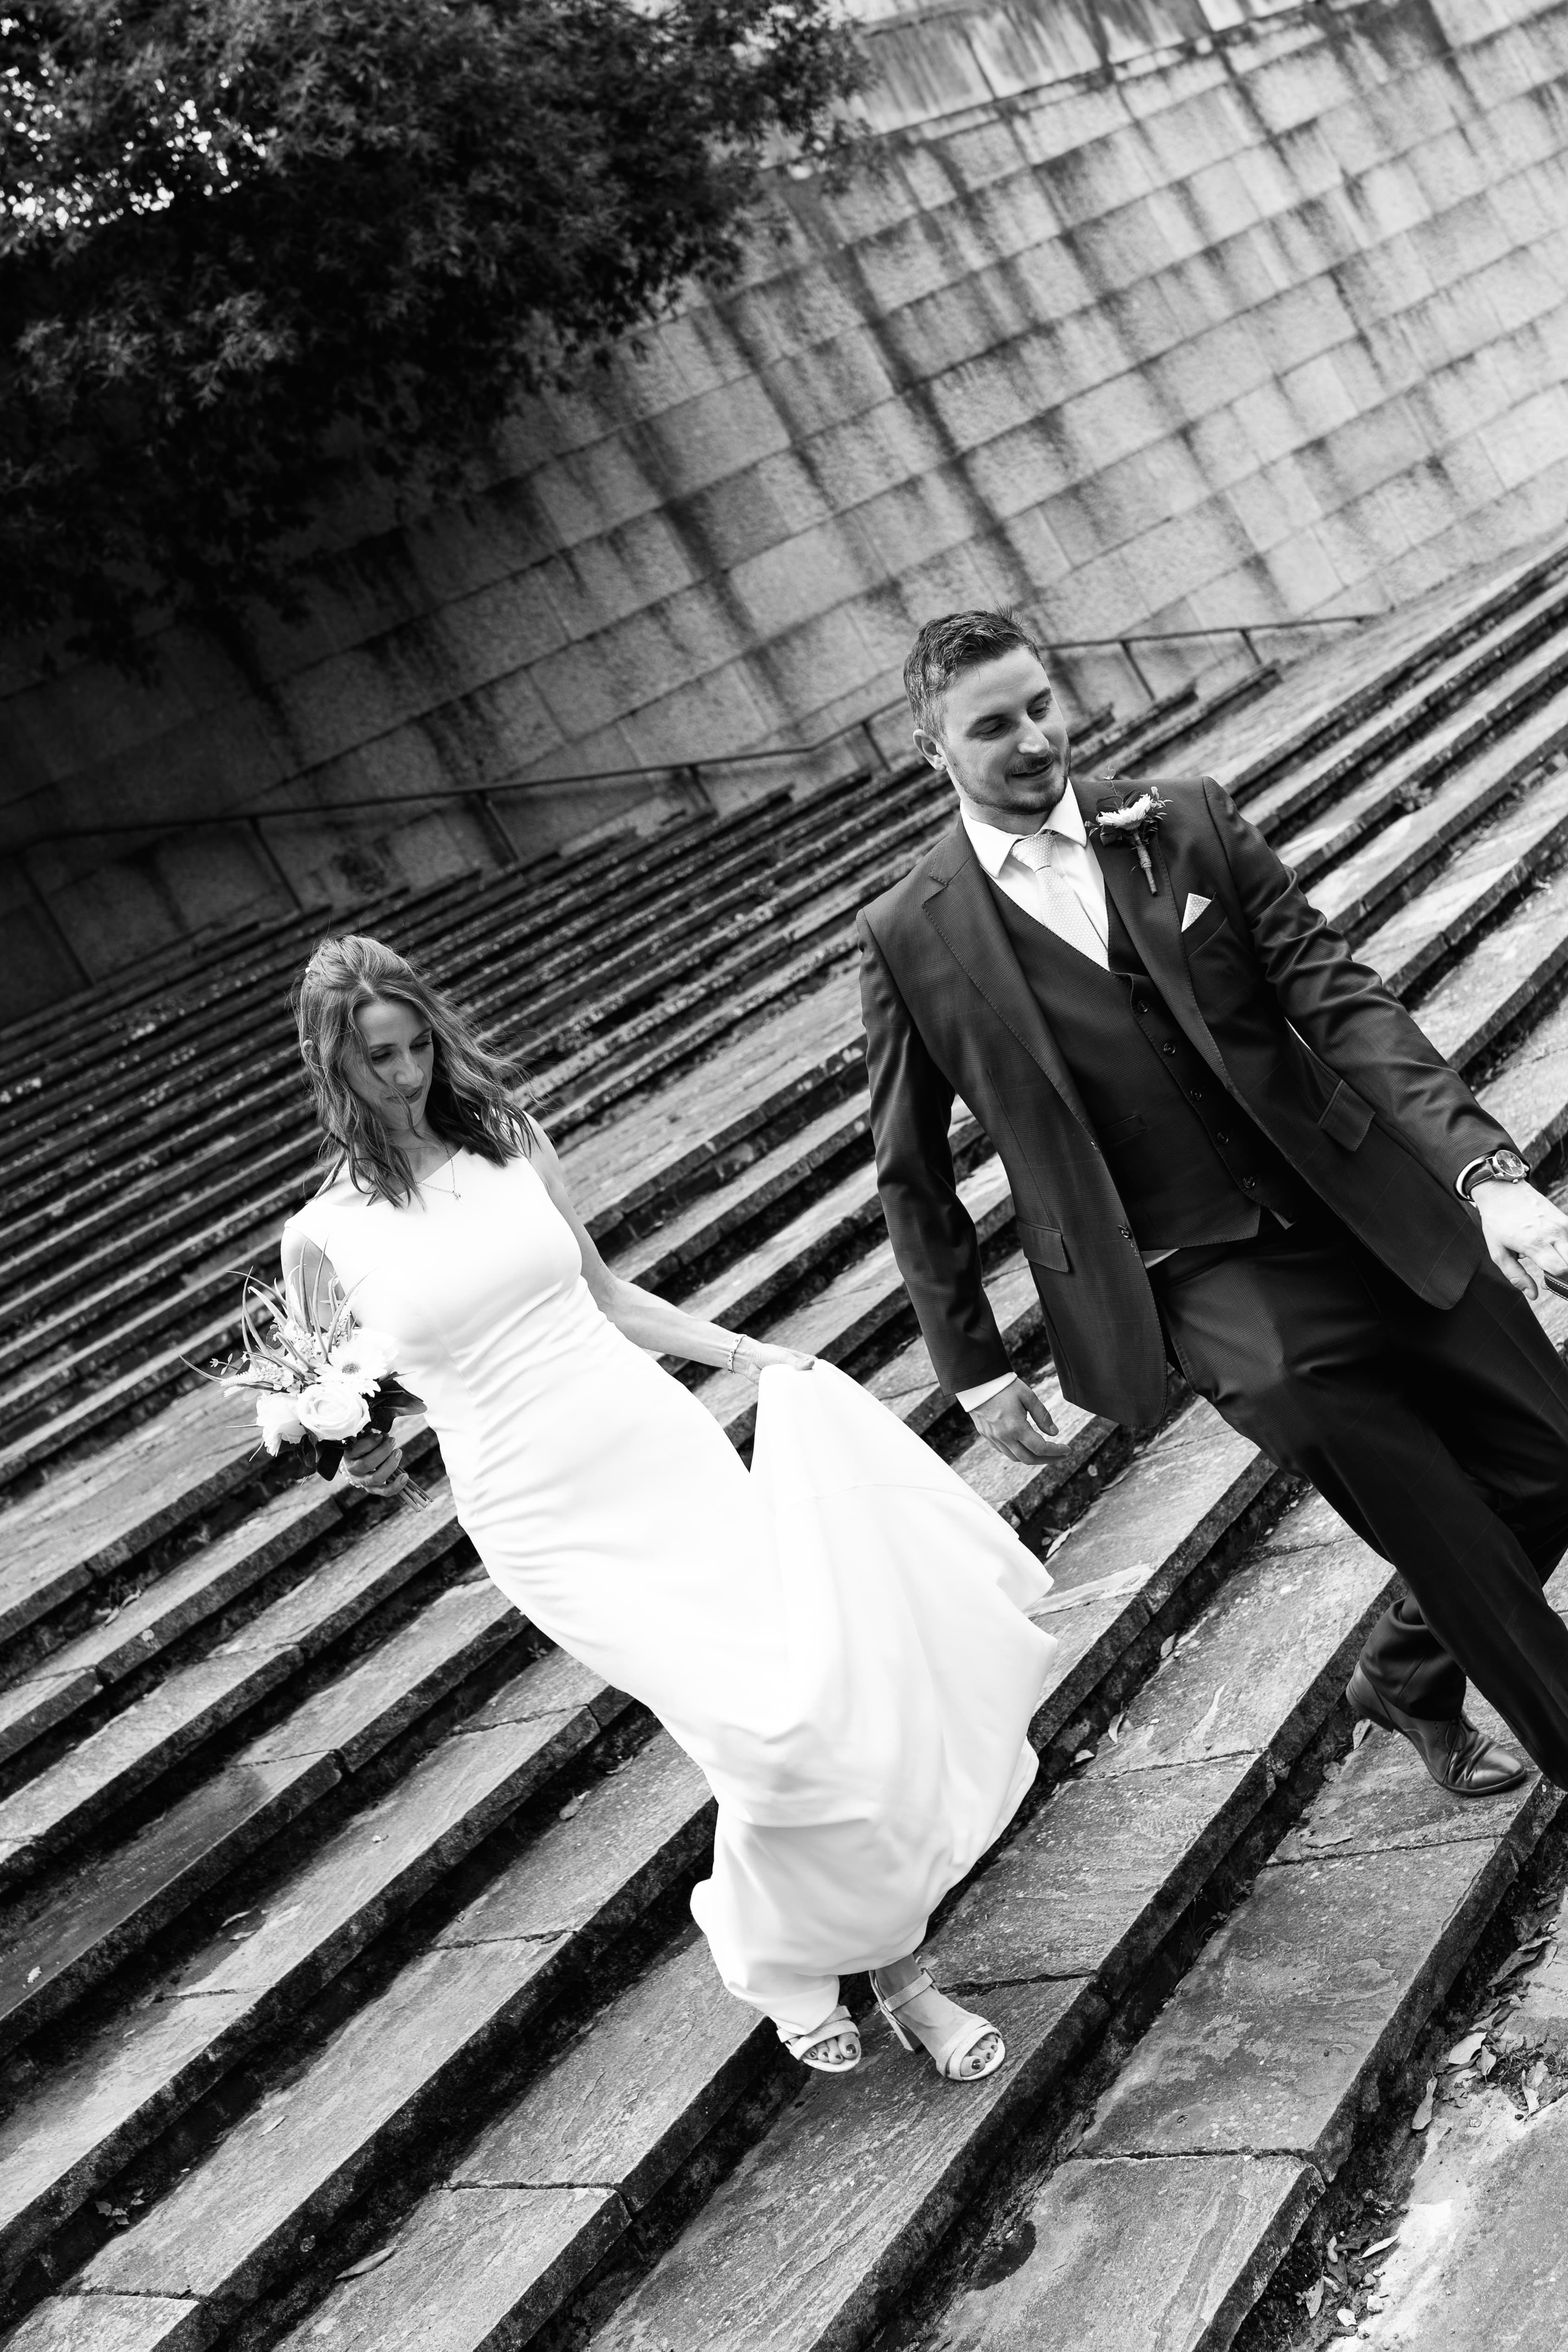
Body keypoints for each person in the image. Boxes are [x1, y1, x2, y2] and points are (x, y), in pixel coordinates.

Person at [278, 933, 1059, 2082]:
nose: (399, 1077)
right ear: (332, 1070)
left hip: (658, 1452)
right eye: (373, 1060)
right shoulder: (321, 1237)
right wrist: (367, 1462)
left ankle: (897, 1978)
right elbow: (350, 1418)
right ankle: (786, 1953)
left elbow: (604, 1295)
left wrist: (749, 1353)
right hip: (539, 1514)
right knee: (758, 1739)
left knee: (819, 1706)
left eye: (412, 1047)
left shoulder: (512, 1147)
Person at [858, 606, 1568, 1798]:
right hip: (1207, 1277)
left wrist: (1487, 1176)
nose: (1036, 738)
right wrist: (973, 1363)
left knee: (1555, 1458)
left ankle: (1401, 1673)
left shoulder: (1183, 820)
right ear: (934, 751)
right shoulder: (906, 934)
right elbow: (910, 1167)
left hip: (1371, 1204)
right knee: (1440, 1526)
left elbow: (1343, 1004)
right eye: (994, 726)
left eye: (1042, 704)